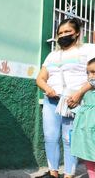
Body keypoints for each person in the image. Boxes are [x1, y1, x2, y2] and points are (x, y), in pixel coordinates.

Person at [36, 18, 95, 178]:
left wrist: (79, 94)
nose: (63, 35)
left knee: (69, 139)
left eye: (67, 32)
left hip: (73, 102)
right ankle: (53, 172)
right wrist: (48, 89)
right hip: (51, 101)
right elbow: (40, 78)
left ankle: (69, 174)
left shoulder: (88, 50)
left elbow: (94, 76)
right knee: (50, 137)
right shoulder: (52, 56)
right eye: (60, 33)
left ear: (76, 33)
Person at [71, 57, 95, 178]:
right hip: (87, 130)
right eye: (88, 72)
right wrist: (72, 104)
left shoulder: (86, 87)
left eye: (94, 72)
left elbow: (93, 82)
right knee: (88, 155)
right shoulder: (86, 88)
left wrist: (80, 91)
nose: (90, 76)